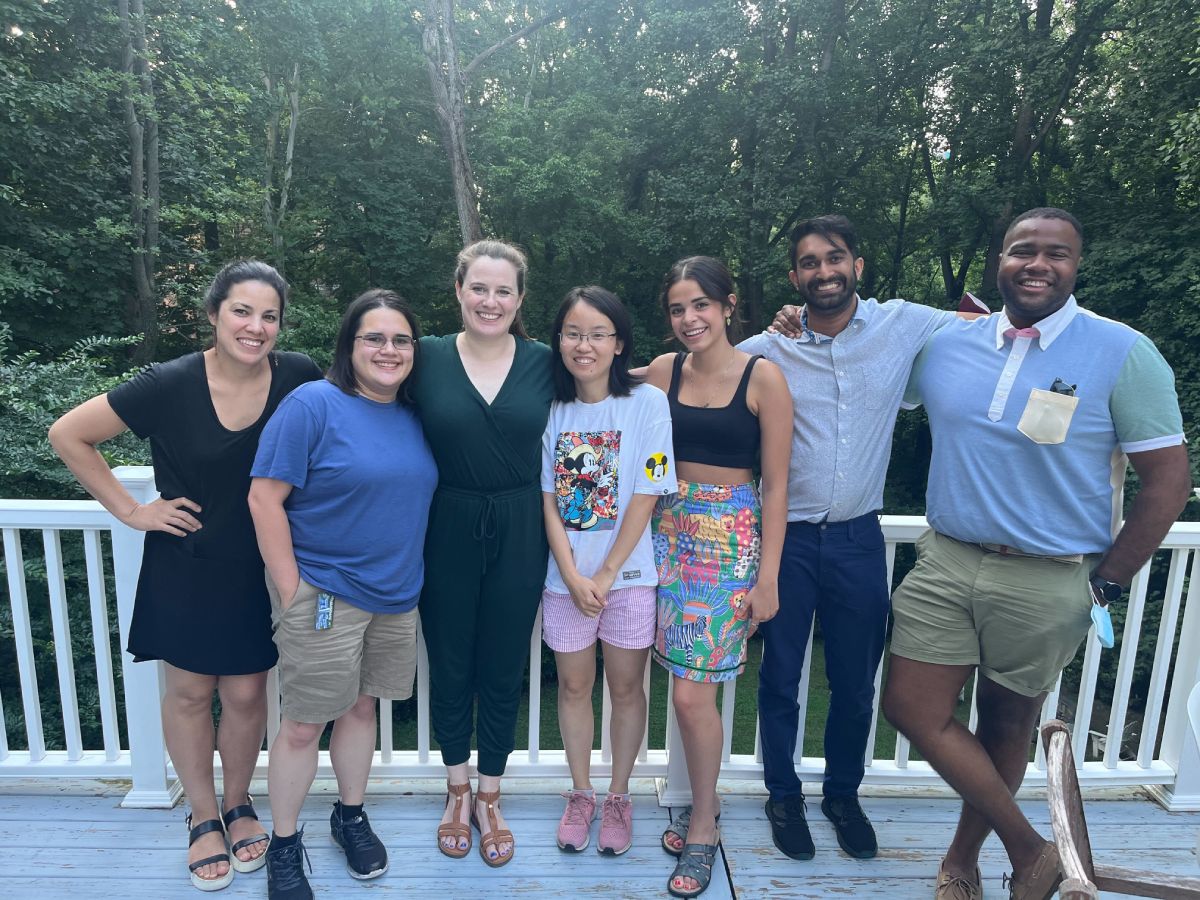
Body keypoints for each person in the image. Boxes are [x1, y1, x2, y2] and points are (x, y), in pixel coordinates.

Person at [881, 208, 1191, 900]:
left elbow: (1169, 482)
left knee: (1006, 723)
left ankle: (962, 861)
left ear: (1077, 266)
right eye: (1024, 250)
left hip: (1051, 575)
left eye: (1057, 253)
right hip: (948, 558)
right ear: (1001, 260)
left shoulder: (1122, 352)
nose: (1038, 264)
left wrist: (1107, 581)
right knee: (908, 705)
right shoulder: (947, 344)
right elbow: (860, 369)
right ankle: (1031, 849)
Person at [48, 260, 322, 892]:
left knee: (249, 696)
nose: (256, 327)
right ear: (214, 314)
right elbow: (69, 435)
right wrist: (131, 509)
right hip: (188, 562)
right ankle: (201, 816)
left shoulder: (300, 377)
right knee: (192, 695)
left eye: (269, 316)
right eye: (242, 311)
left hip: (260, 564)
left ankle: (238, 803)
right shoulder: (168, 383)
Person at [740, 214, 961, 862]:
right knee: (780, 679)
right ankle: (782, 793)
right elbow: (696, 375)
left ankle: (842, 794)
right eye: (809, 262)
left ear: (857, 264)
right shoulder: (765, 348)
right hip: (785, 541)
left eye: (834, 257)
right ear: (795, 277)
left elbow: (990, 330)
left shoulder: (905, 325)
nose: (823, 271)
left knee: (857, 682)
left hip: (861, 539)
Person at [248, 290, 436, 900]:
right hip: (324, 595)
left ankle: (348, 815)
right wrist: (292, 589)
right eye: (373, 338)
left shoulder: (413, 413)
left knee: (362, 709)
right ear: (349, 345)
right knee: (303, 726)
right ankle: (283, 844)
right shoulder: (313, 405)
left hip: (396, 595)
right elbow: (264, 497)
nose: (388, 349)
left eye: (400, 339)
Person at [645, 256, 792, 898]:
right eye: (678, 308)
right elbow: (598, 392)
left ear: (728, 305)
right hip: (664, 537)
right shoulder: (660, 371)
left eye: (700, 304)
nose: (689, 319)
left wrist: (769, 577)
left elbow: (780, 487)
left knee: (690, 695)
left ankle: (703, 823)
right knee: (679, 686)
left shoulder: (764, 378)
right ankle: (699, 806)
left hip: (729, 547)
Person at [412, 240, 555, 867]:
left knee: (502, 664)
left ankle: (491, 793)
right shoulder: (423, 358)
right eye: (479, 288)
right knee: (450, 661)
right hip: (447, 520)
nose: (490, 301)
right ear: (459, 291)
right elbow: (356, 390)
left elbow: (622, 369)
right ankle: (455, 788)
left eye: (503, 291)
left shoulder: (547, 362)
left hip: (522, 521)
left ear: (520, 299)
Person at [541, 286, 675, 856]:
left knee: (625, 688)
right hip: (564, 581)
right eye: (573, 332)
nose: (584, 344)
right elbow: (547, 497)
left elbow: (648, 491)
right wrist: (573, 575)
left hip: (631, 578)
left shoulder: (648, 404)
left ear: (619, 343)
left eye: (598, 333)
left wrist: (608, 572)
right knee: (573, 686)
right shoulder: (549, 407)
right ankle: (580, 793)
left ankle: (618, 797)